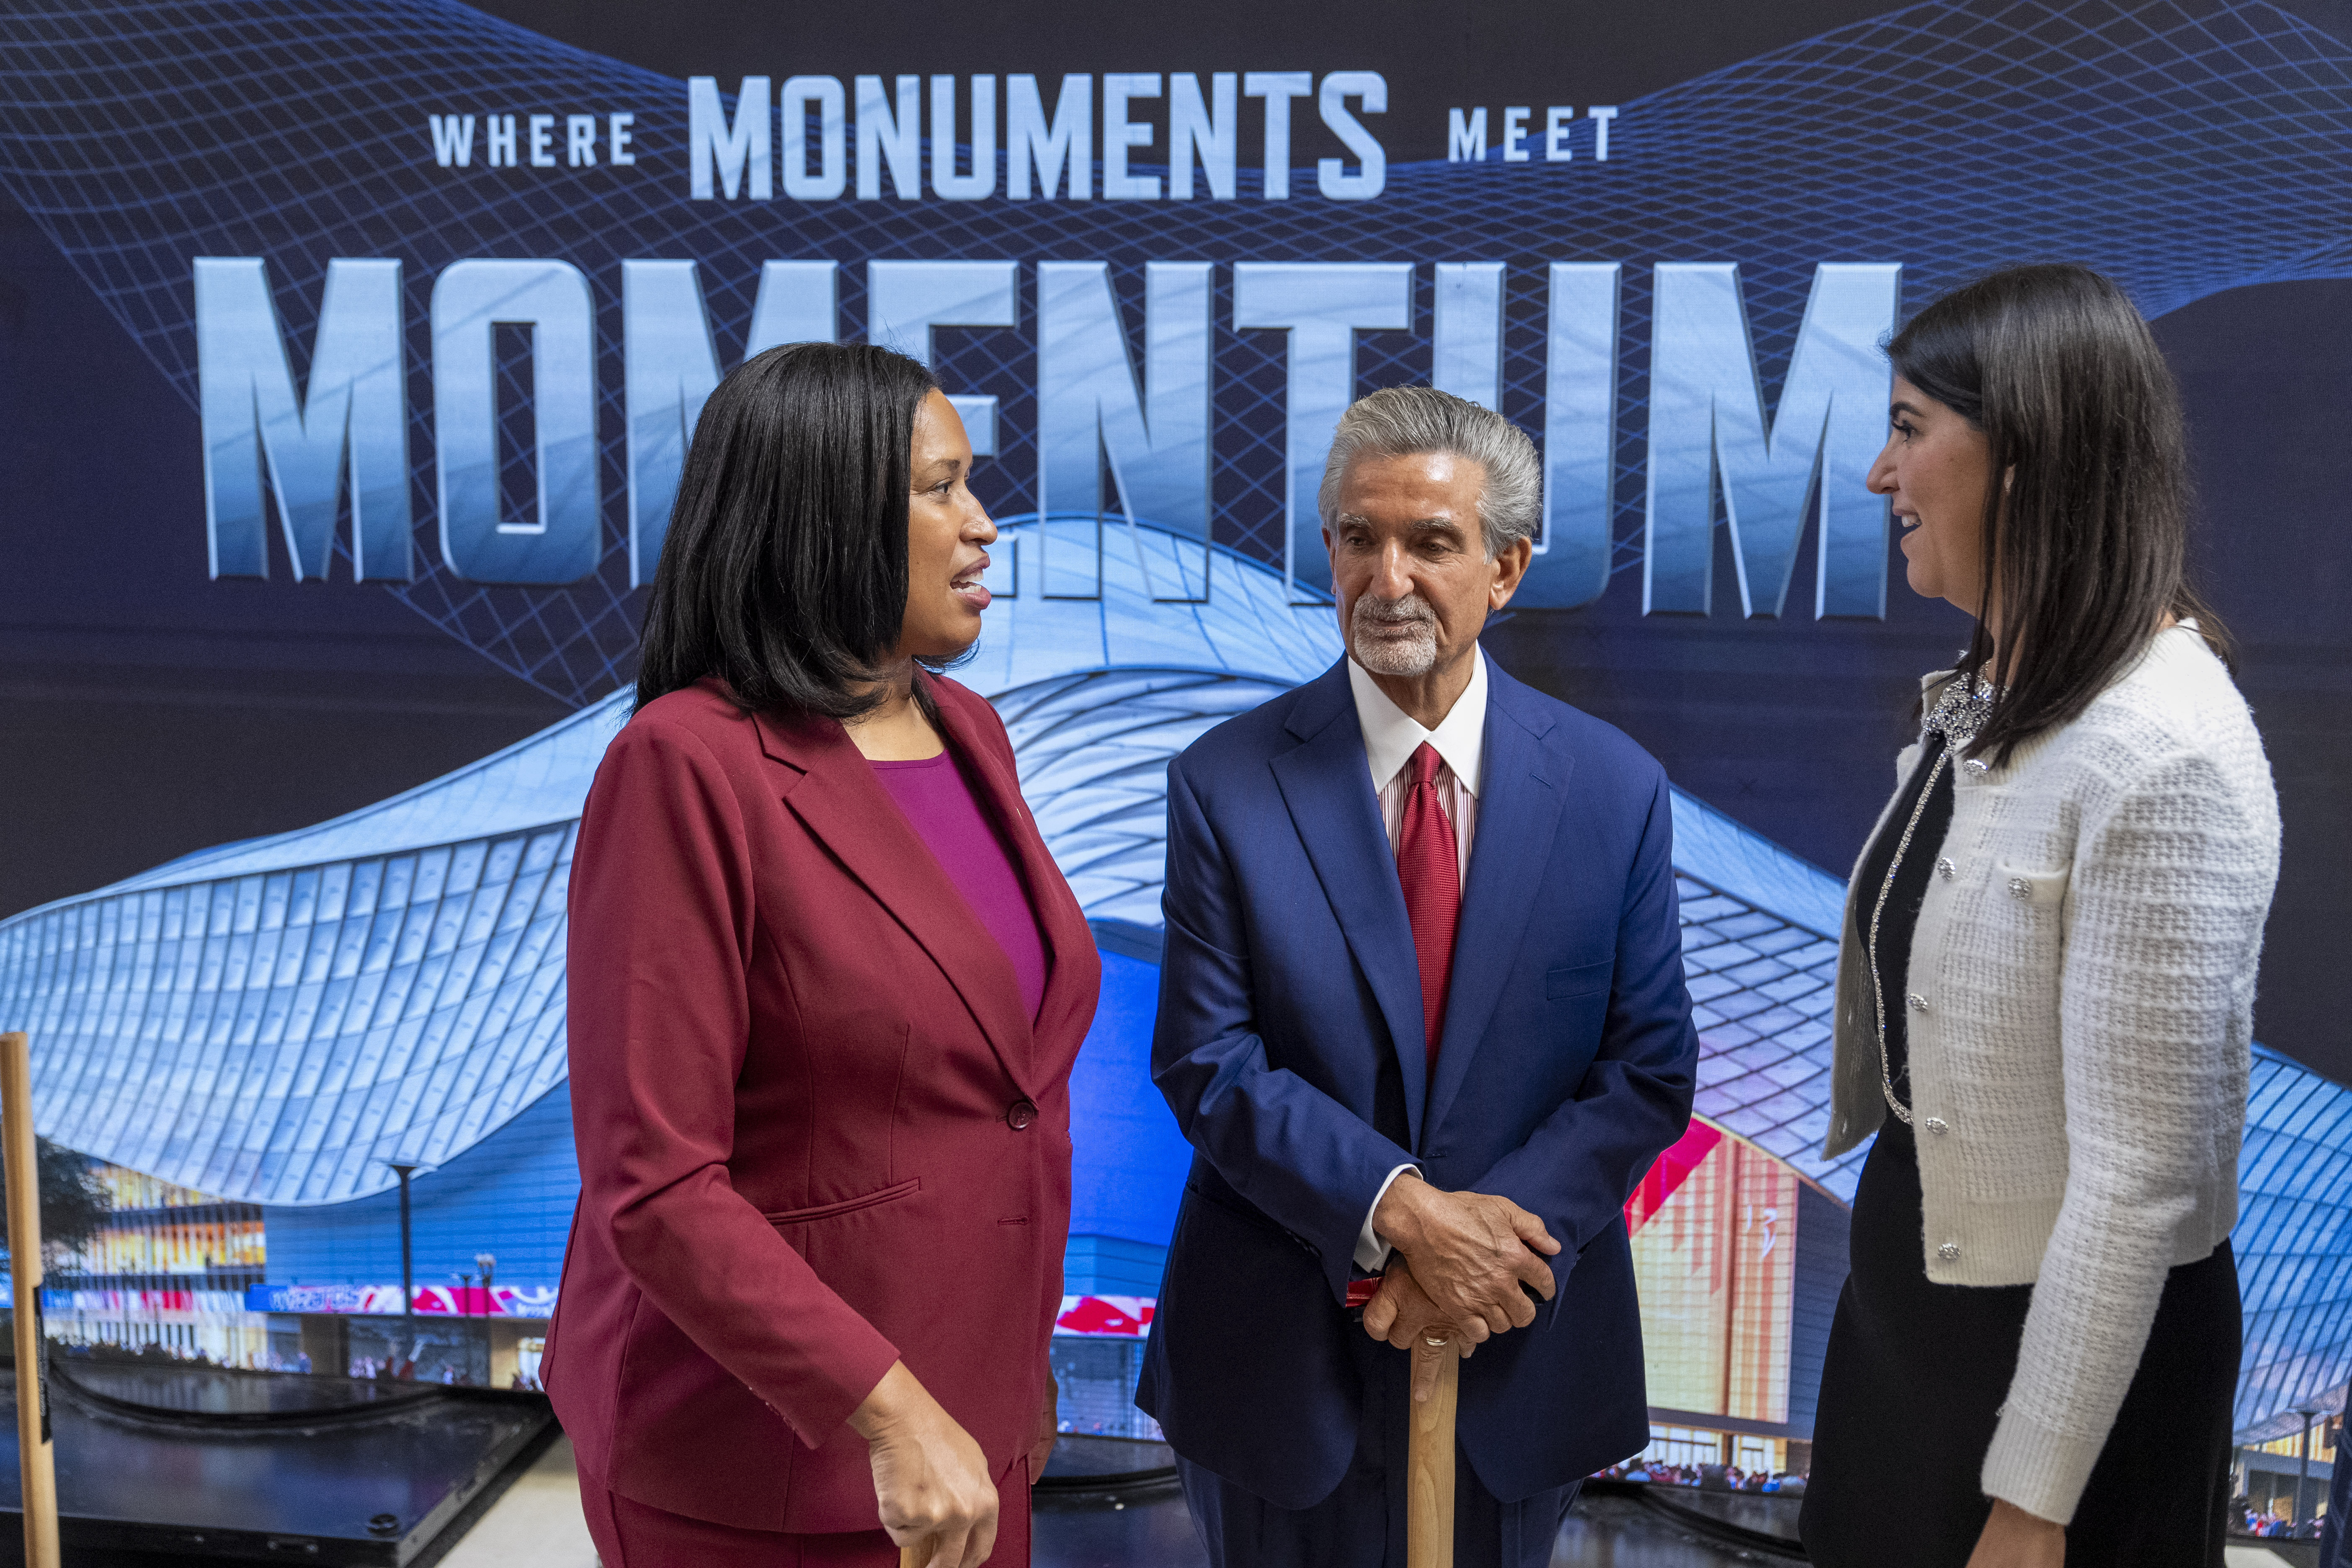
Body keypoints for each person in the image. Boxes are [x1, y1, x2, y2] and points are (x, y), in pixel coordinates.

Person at [545, 343, 1101, 1568]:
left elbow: (999, 1094)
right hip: (770, 1460)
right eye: (940, 489)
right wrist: (892, 1410)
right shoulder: (684, 767)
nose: (984, 526)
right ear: (825, 517)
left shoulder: (971, 732)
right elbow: (656, 1181)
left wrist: (1014, 1373)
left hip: (975, 1434)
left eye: (973, 484)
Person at [1140, 385, 1700, 1568]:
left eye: (1430, 543)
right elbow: (1208, 1059)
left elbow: (1646, 1069)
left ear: (1506, 570)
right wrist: (1401, 1215)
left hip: (1520, 1359)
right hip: (1275, 1378)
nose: (1386, 577)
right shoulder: (1224, 782)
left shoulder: (1616, 789)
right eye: (1358, 537)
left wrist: (1479, 1257)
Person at [1798, 265, 2280, 1568]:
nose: (1878, 476)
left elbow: (2135, 1187)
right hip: (1919, 1312)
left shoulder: (2163, 749)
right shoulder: (2005, 685)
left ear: (2026, 457)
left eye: (1909, 429)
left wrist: (2034, 1501)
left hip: (2067, 1379)